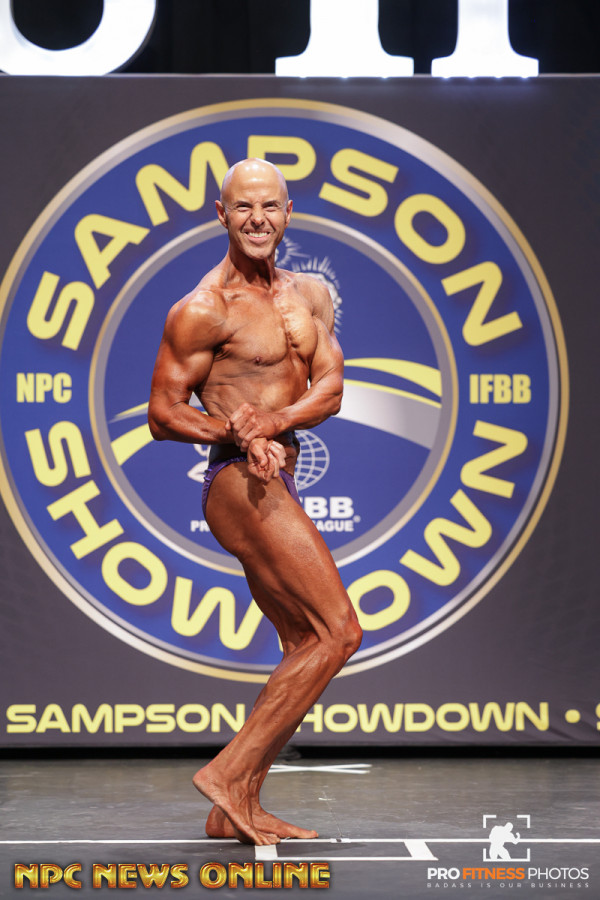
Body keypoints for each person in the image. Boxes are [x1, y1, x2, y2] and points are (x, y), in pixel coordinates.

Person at [148, 158, 362, 845]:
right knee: (339, 631)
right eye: (243, 207)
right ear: (222, 214)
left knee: (304, 642)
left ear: (288, 212)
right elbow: (162, 414)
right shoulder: (204, 308)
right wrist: (236, 430)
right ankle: (226, 773)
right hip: (237, 481)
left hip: (277, 470)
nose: (257, 219)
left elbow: (330, 389)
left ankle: (234, 804)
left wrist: (273, 421)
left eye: (269, 206)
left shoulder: (311, 296)